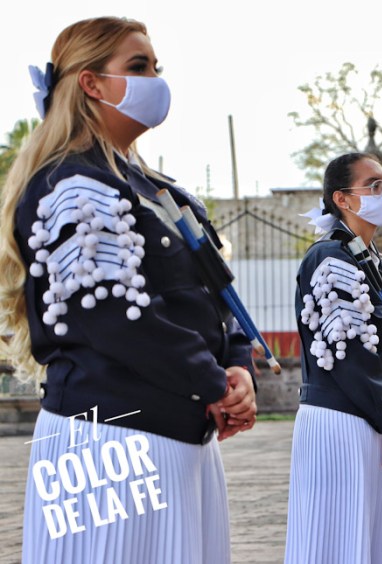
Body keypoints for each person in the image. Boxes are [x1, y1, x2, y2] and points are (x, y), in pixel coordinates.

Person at [0, 18, 257, 564]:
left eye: (155, 67)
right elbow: (112, 316)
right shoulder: (71, 182)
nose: (155, 80)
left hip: (181, 438)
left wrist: (238, 368)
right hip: (110, 443)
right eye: (138, 67)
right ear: (91, 83)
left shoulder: (158, 189)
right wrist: (214, 382)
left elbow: (214, 293)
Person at [286, 153, 382, 564]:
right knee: (336, 544)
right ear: (342, 198)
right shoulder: (329, 257)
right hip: (341, 422)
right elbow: (349, 358)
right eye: (374, 185)